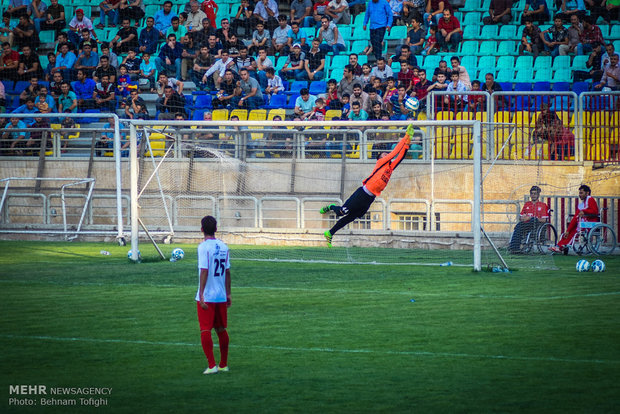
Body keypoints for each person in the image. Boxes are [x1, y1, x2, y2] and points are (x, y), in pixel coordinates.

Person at [319, 124, 415, 247]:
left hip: (370, 198)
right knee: (342, 212)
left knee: (351, 217)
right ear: (380, 158)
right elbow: (395, 152)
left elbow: (400, 156)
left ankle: (330, 233)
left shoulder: (390, 168)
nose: (386, 155)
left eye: (386, 154)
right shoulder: (381, 162)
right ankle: (331, 207)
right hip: (362, 193)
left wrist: (408, 141)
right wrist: (406, 136)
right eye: (384, 154)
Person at [196, 215, 231, 375]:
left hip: (208, 296)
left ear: (202, 229)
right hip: (221, 295)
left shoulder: (203, 247)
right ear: (216, 229)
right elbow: (228, 272)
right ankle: (223, 364)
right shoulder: (224, 246)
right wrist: (228, 293)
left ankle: (212, 366)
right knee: (221, 329)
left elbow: (204, 270)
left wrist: (201, 294)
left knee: (205, 330)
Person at [550, 185, 599, 254]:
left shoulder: (590, 199)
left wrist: (584, 211)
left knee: (574, 232)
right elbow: (575, 217)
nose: (579, 195)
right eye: (579, 193)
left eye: (581, 193)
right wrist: (567, 230)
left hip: (590, 223)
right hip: (583, 223)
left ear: (587, 193)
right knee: (569, 232)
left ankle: (561, 247)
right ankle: (559, 245)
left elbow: (595, 211)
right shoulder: (581, 205)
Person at [508, 186, 550, 253]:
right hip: (525, 224)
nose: (533, 195)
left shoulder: (543, 205)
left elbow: (544, 220)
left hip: (537, 224)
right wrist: (523, 218)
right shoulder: (527, 204)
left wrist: (531, 218)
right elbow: (521, 217)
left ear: (538, 195)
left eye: (535, 194)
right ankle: (514, 248)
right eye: (532, 194)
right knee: (518, 226)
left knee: (532, 220)